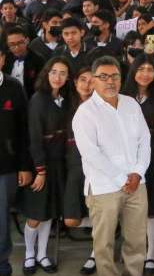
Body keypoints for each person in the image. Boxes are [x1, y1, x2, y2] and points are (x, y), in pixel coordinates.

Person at [72, 55, 150, 276]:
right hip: (104, 187)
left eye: (115, 76)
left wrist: (137, 172)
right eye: (103, 77)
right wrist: (122, 179)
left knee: (136, 239)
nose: (110, 82)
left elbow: (144, 140)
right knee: (103, 244)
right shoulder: (85, 113)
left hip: (137, 183)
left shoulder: (131, 104)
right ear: (93, 80)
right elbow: (91, 154)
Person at [21, 57, 73, 274]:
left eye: (62, 73)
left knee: (50, 212)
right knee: (35, 214)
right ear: (46, 73)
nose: (58, 77)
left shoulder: (65, 98)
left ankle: (42, 253)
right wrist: (40, 170)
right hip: (40, 164)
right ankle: (29, 254)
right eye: (54, 72)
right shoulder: (38, 100)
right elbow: (34, 138)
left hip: (59, 163)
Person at [122, 54, 154, 275]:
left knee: (151, 208)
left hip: (151, 158)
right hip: (125, 157)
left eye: (150, 70)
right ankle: (133, 253)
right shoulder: (122, 97)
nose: (145, 74)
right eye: (140, 69)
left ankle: (150, 254)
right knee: (128, 207)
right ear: (133, 71)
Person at [63, 66, 98, 275]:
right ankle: (112, 224)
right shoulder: (67, 106)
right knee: (71, 219)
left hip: (96, 166)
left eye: (91, 79)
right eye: (82, 79)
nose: (86, 84)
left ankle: (96, 252)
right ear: (75, 83)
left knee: (97, 211)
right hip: (74, 164)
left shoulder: (102, 106)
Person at [0, 48, 31, 276]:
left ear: (2, 58)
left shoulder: (14, 87)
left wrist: (24, 165)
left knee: (0, 218)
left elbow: (24, 130)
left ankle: (2, 265)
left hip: (6, 167)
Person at [2, 26, 45, 99]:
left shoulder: (38, 60)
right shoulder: (4, 58)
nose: (16, 47)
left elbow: (41, 85)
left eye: (20, 43)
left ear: (27, 40)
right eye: (12, 44)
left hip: (30, 99)